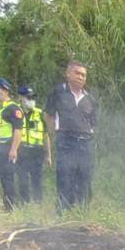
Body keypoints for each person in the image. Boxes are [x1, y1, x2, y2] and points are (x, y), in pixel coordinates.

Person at [46, 61, 97, 211]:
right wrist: (55, 134)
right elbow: (48, 116)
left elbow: (93, 123)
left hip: (85, 143)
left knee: (84, 178)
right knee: (65, 176)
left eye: (83, 75)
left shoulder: (90, 99)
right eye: (77, 73)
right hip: (65, 141)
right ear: (68, 74)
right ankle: (63, 213)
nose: (81, 77)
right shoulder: (58, 92)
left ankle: (82, 212)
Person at [0, 78, 26, 211]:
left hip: (8, 146)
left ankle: (10, 207)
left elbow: (18, 130)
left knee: (7, 177)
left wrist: (14, 150)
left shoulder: (14, 108)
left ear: (5, 90)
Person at [16, 85, 50, 205]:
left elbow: (45, 135)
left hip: (37, 151)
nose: (31, 100)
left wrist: (48, 155)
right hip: (21, 150)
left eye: (32, 98)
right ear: (20, 98)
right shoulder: (15, 112)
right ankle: (24, 202)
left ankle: (38, 203)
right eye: (28, 97)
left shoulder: (39, 114)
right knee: (22, 178)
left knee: (37, 178)